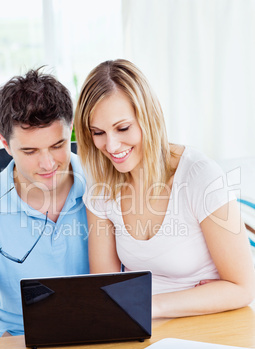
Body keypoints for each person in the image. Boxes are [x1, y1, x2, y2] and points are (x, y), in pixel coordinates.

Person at [74, 59, 255, 318]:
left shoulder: (199, 177)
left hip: (211, 322)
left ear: (149, 116)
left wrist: (152, 305)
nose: (112, 146)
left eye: (123, 128)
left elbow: (243, 288)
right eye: (98, 132)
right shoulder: (102, 190)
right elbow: (107, 289)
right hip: (142, 327)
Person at [0, 68, 89, 337]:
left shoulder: (102, 184)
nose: (48, 163)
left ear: (70, 130)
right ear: (5, 143)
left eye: (57, 145)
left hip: (99, 336)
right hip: (20, 346)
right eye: (30, 151)